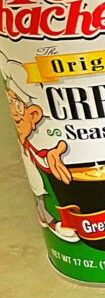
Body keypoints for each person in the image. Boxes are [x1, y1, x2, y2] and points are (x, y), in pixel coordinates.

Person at [6, 84, 78, 242]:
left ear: (33, 115)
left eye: (18, 105)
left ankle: (51, 219)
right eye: (11, 103)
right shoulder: (29, 143)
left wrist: (53, 154)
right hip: (36, 175)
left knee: (41, 193)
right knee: (41, 195)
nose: (14, 111)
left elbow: (41, 155)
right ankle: (52, 221)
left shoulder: (32, 146)